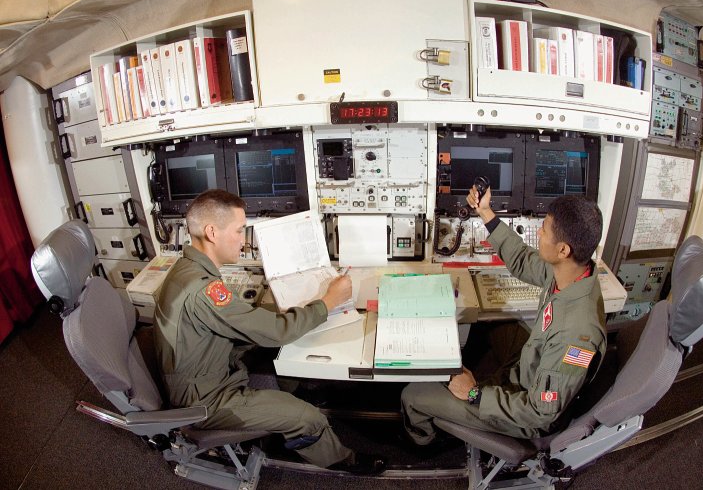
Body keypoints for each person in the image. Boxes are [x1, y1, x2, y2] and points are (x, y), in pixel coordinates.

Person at [154, 189, 385, 474]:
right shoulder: (204, 290)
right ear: (212, 232)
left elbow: (246, 324)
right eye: (239, 231)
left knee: (274, 344)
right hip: (206, 399)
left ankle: (299, 392)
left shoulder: (187, 268)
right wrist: (328, 302)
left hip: (210, 367)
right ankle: (343, 460)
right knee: (306, 417)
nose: (243, 240)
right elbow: (276, 331)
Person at [401, 187, 607, 441]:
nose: (539, 232)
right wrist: (485, 212)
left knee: (412, 395)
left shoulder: (576, 334)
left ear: (563, 250)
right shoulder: (575, 272)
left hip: (526, 415)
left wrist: (475, 394)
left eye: (544, 229)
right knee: (488, 324)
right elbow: (521, 259)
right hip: (528, 366)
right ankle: (474, 385)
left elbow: (540, 413)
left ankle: (429, 445)